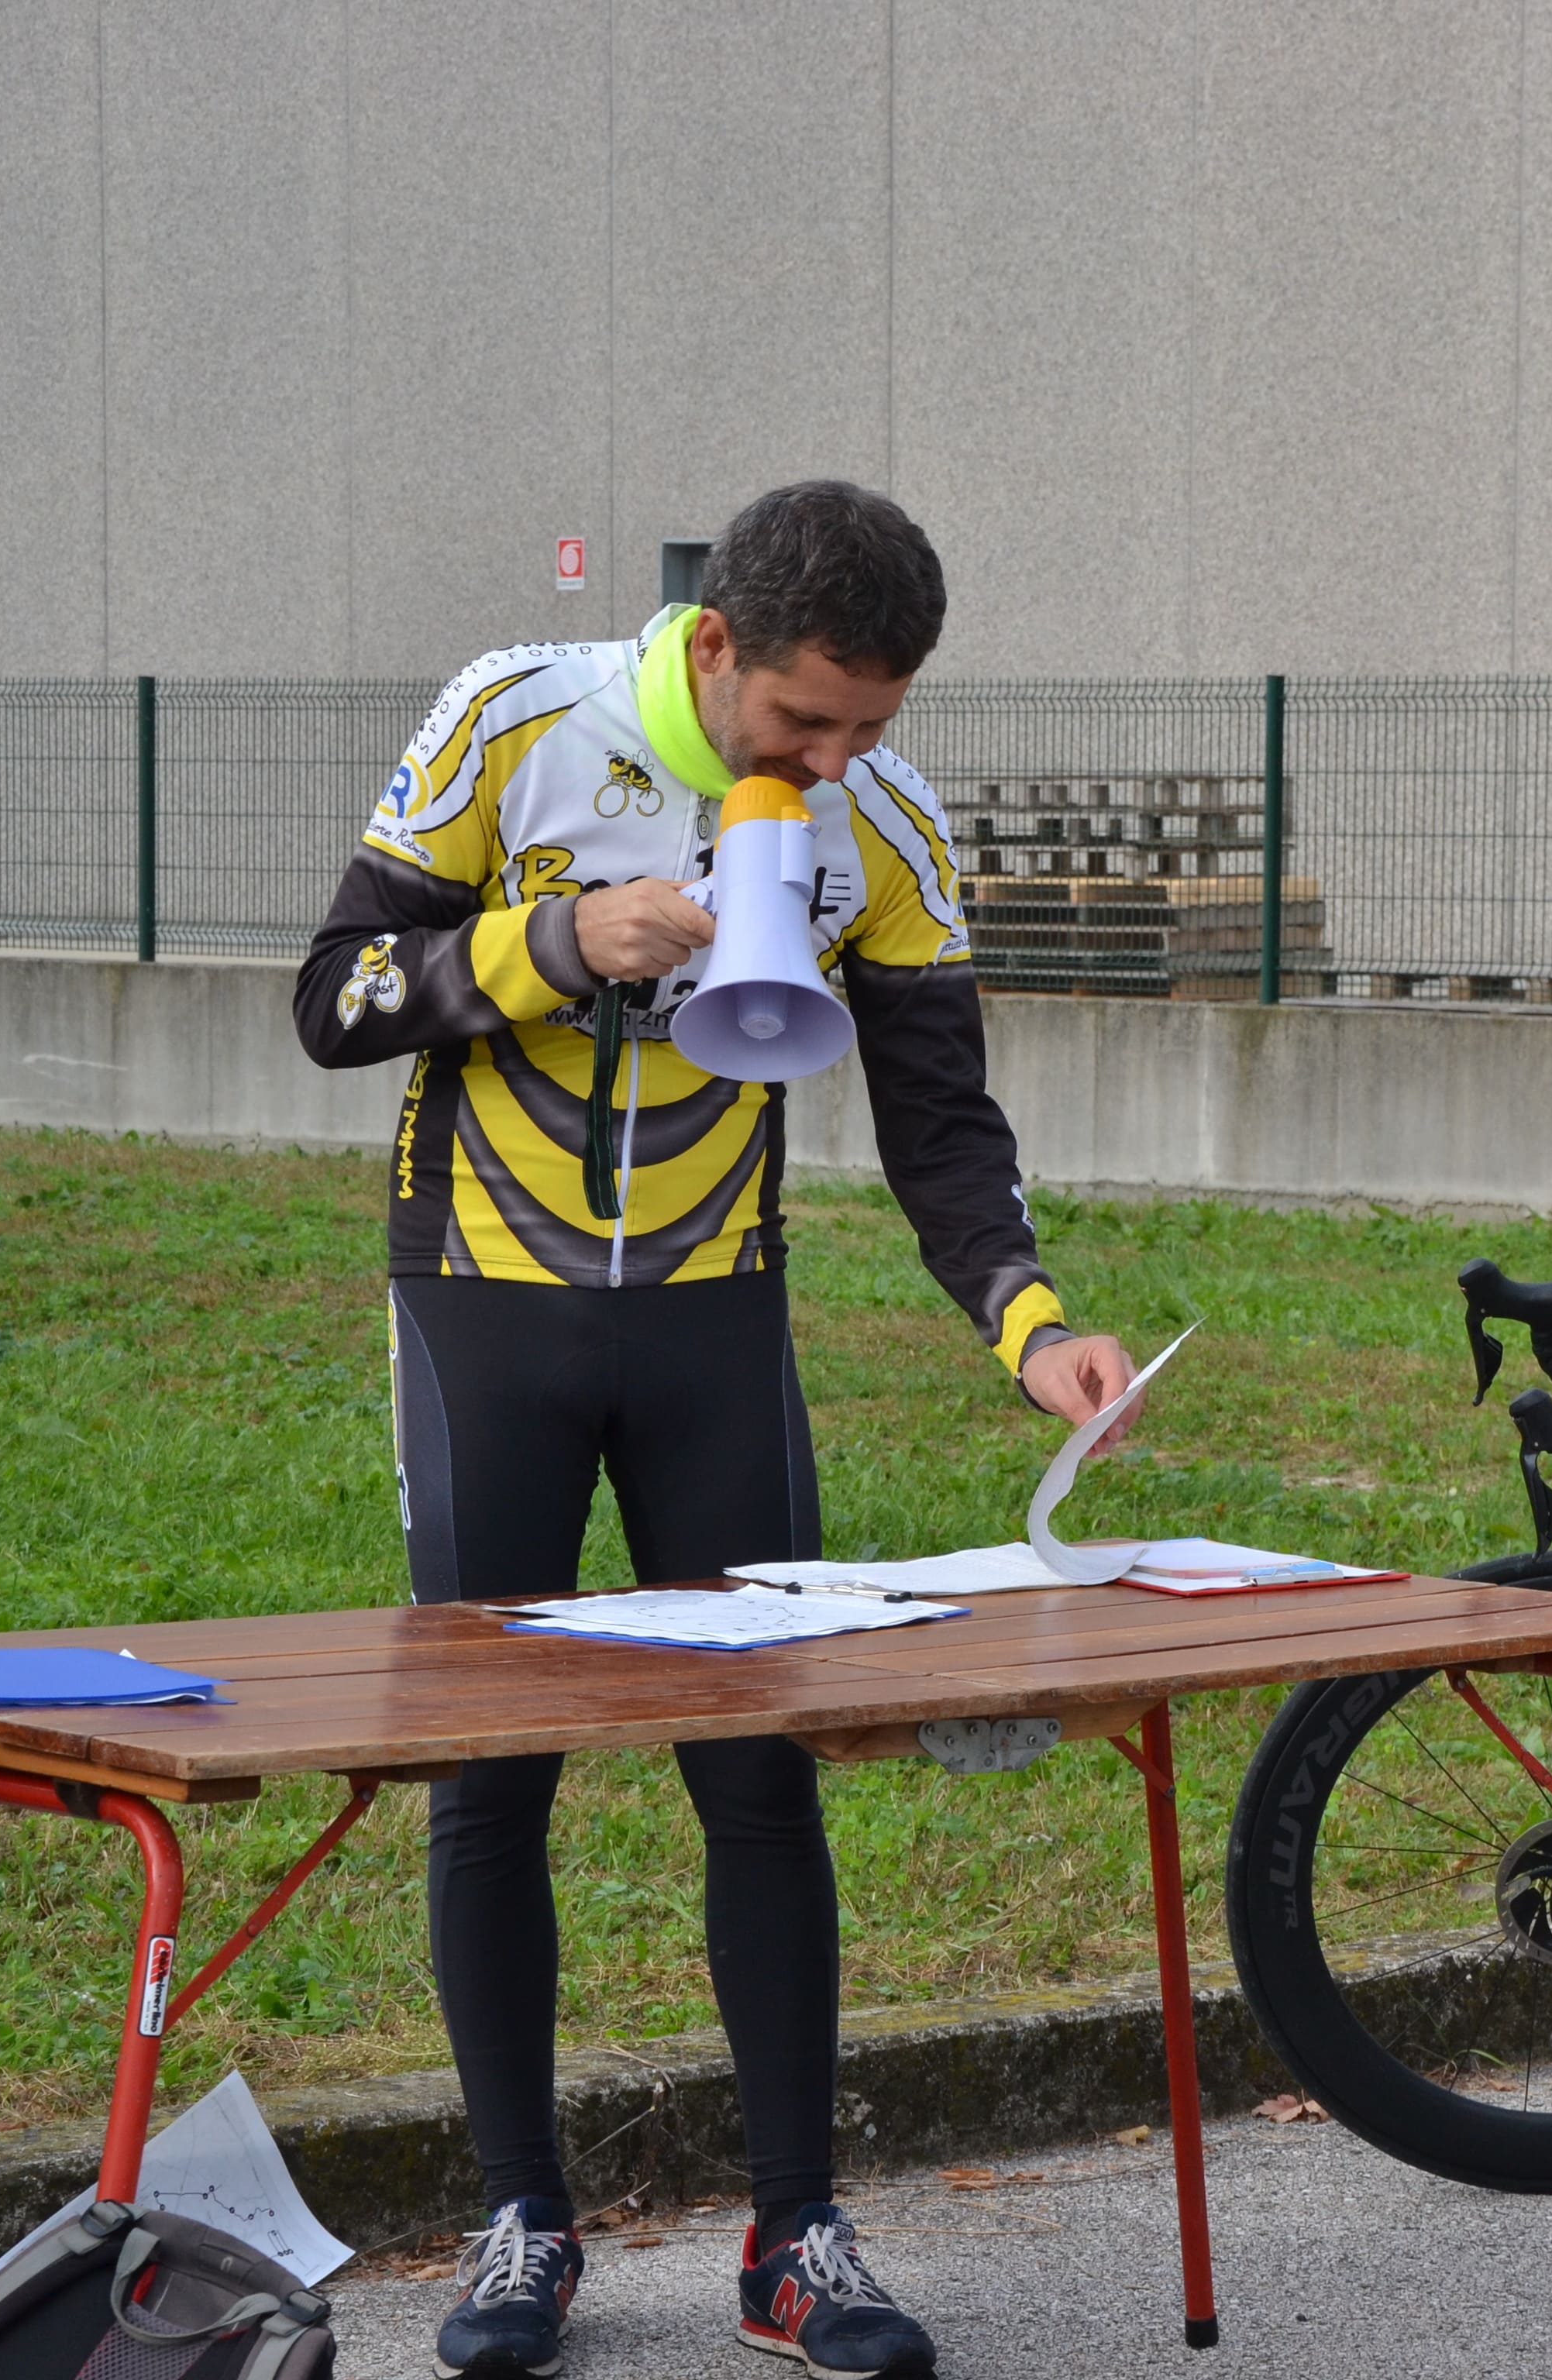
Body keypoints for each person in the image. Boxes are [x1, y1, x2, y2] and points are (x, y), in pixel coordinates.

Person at [296, 481, 1137, 2380]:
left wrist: (1031, 1325)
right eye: (802, 721)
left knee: (760, 1770)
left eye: (870, 725)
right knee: (492, 1775)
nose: (831, 761)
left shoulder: (883, 820)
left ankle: (793, 2236)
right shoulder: (517, 719)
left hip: (714, 1320)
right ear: (713, 645)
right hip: (485, 1304)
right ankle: (523, 2218)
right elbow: (334, 999)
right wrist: (555, 940)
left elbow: (941, 1121)